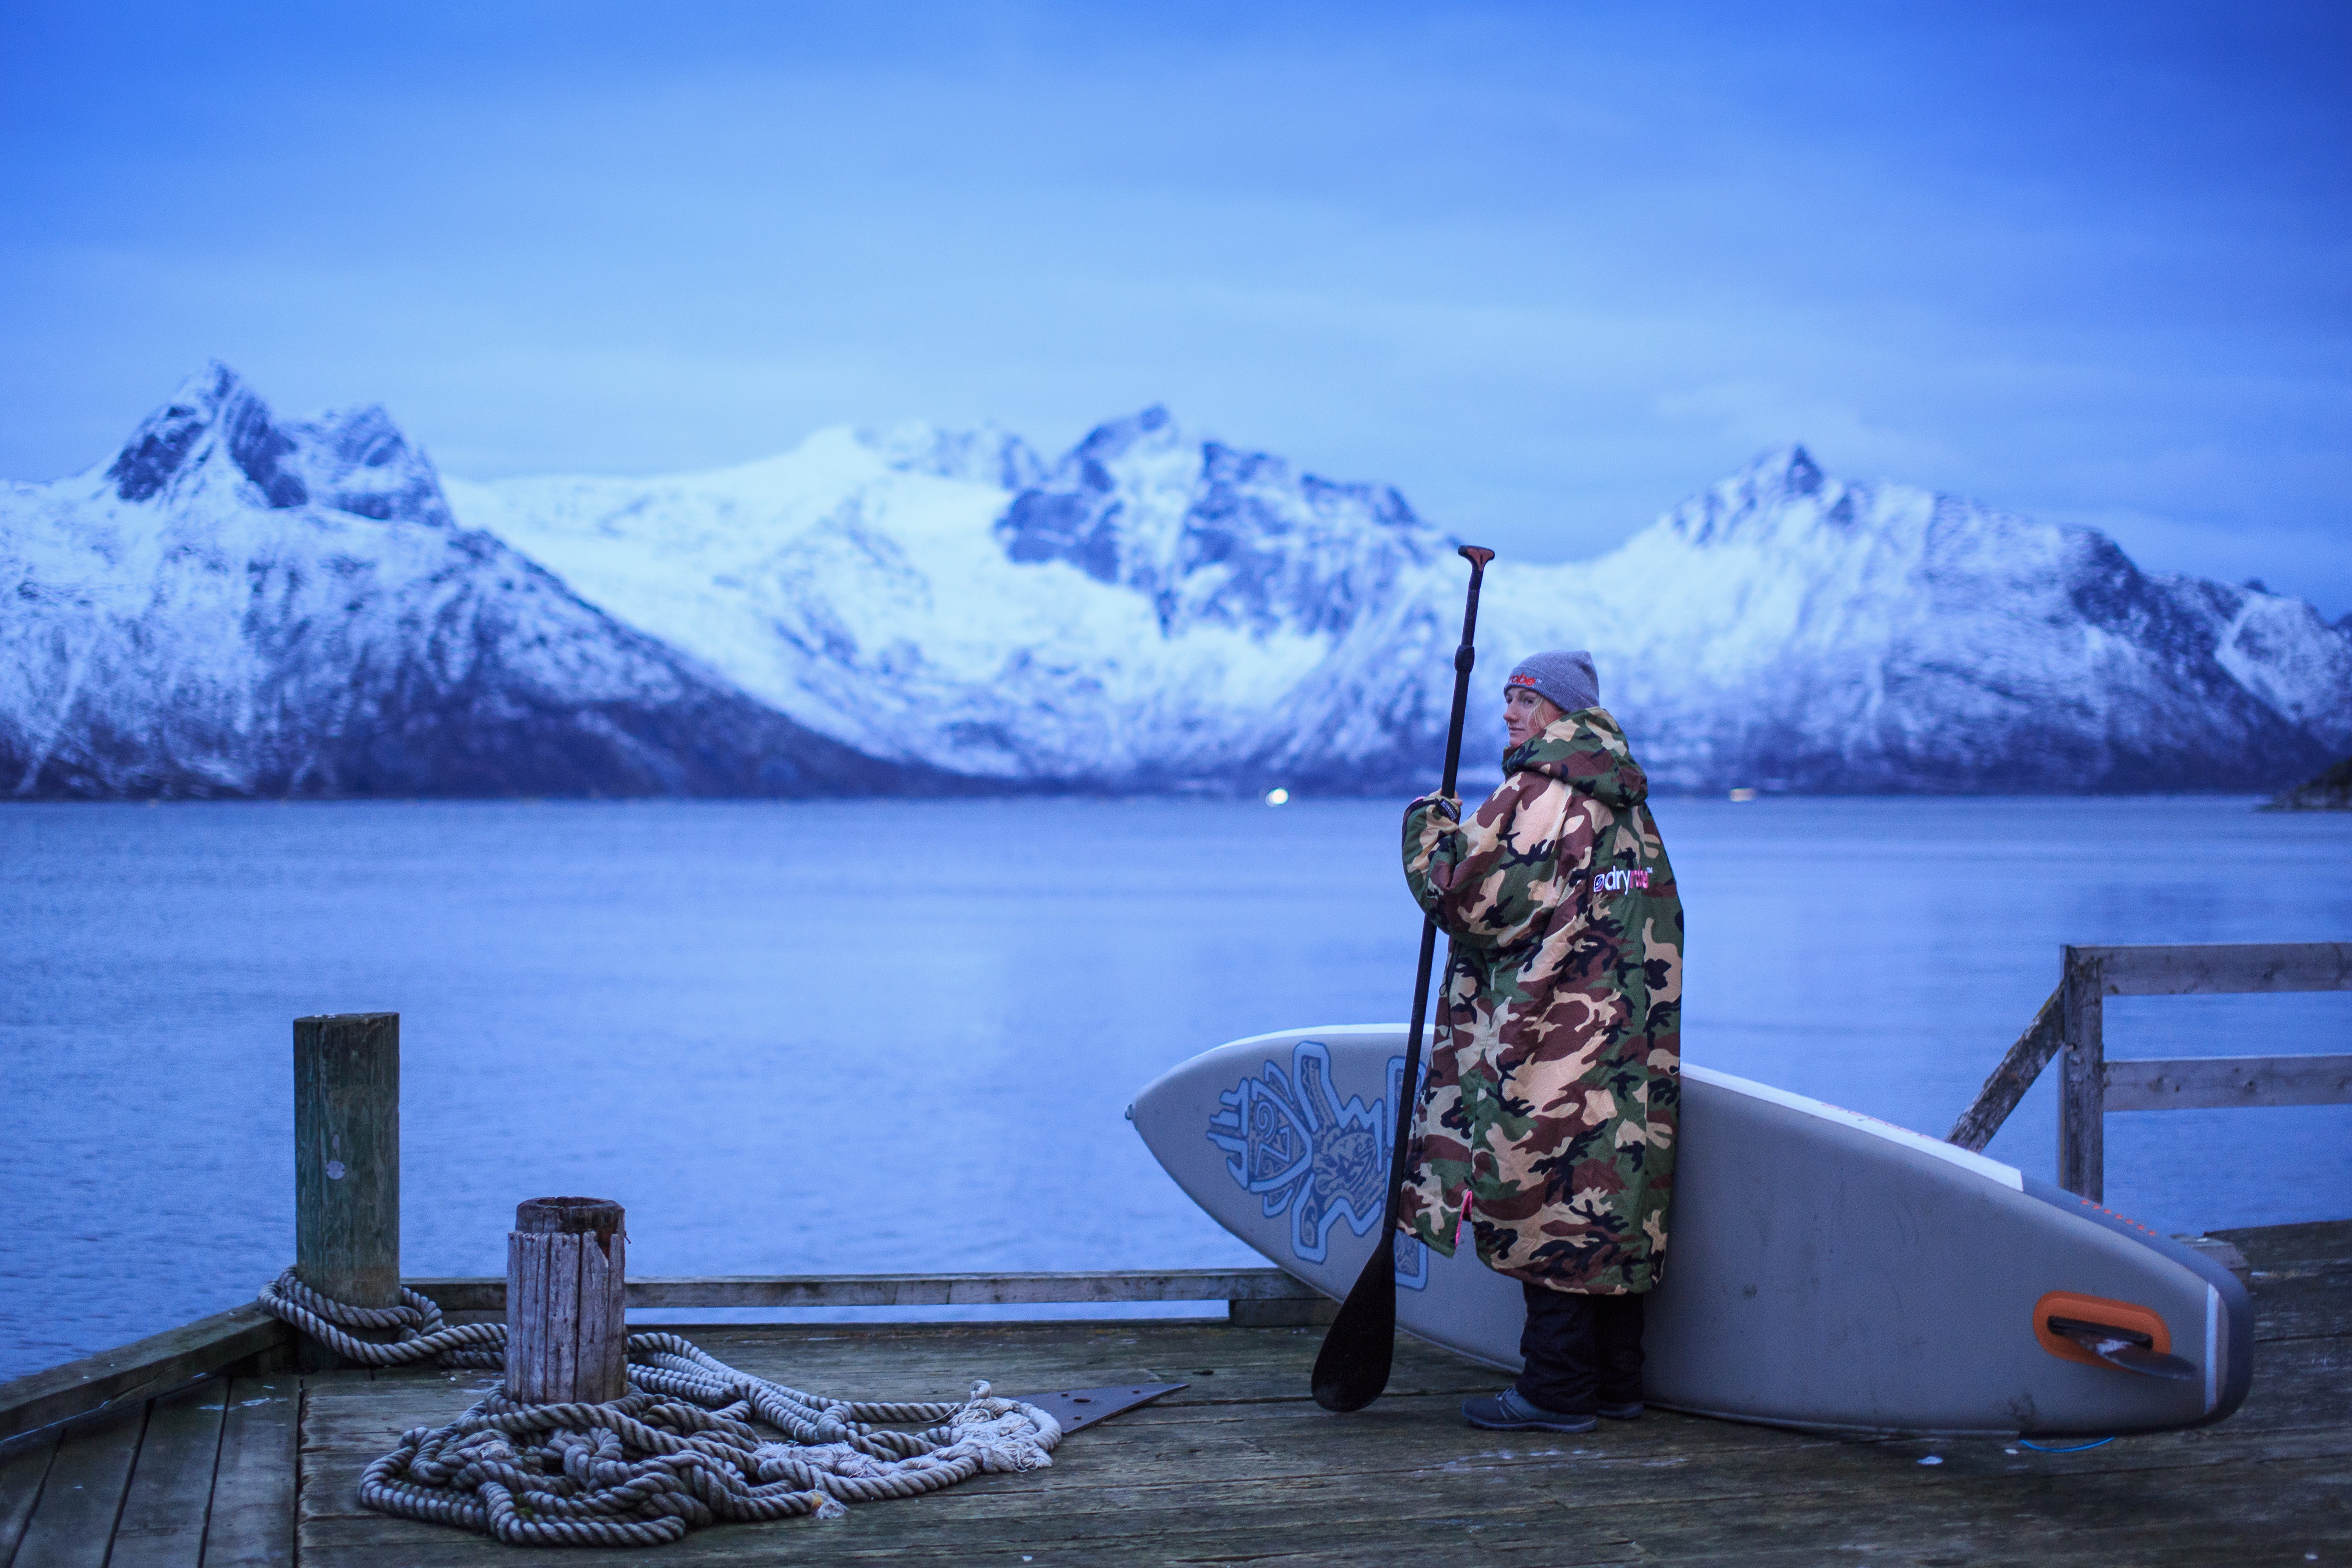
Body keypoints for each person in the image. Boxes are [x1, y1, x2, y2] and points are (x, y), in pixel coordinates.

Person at [1397, 649, 1684, 1434]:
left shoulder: (1541, 792)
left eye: (1524, 698)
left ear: (1559, 711)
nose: (1509, 712)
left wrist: (1428, 825)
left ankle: (1556, 1391)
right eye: (1506, 697)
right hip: (1632, 1056)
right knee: (1615, 1208)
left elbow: (1465, 893)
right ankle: (1617, 1383)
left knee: (1548, 1202)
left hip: (1552, 1045)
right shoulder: (1627, 803)